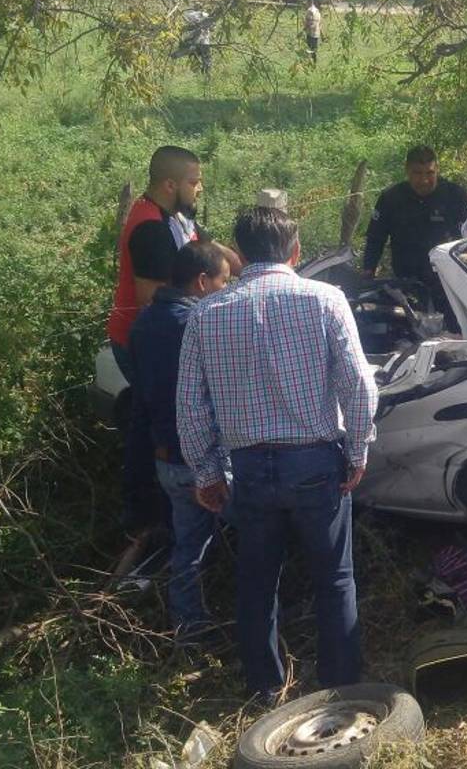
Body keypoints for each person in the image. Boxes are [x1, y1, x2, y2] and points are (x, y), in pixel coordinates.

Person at [177, 206, 378, 703]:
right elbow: (357, 384)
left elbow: (189, 403)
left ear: (240, 255)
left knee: (257, 582)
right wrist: (357, 450)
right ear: (296, 251)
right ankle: (341, 689)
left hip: (248, 470)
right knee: (334, 579)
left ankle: (265, 691)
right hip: (313, 462)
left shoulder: (205, 313)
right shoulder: (326, 299)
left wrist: (207, 472)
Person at [129, 242, 232, 644]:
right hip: (204, 461)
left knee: (188, 548)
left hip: (166, 459)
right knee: (264, 537)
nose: (228, 289)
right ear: (203, 282)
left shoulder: (144, 321)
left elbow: (141, 396)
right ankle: (258, 626)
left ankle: (190, 632)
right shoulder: (197, 323)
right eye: (225, 281)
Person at [107, 146, 207, 540]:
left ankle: (152, 508)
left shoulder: (178, 216)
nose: (199, 189)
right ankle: (146, 512)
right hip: (142, 338)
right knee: (153, 421)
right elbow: (151, 298)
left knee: (150, 418)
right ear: (171, 184)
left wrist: (256, 265)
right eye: (194, 182)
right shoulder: (150, 227)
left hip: (161, 333)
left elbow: (208, 251)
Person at [361, 145, 467, 317]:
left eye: (429, 173)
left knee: (454, 332)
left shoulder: (454, 195)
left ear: (437, 170)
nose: (424, 180)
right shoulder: (391, 198)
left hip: (447, 280)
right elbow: (376, 238)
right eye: (417, 173)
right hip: (407, 281)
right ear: (407, 171)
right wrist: (368, 270)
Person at [304, 0, 322, 65]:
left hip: (311, 33)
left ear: (309, 2)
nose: (304, 3)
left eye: (305, 2)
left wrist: (304, 29)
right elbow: (320, 23)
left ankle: (311, 63)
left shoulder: (310, 11)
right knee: (313, 49)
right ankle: (313, 62)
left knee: (309, 49)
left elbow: (310, 23)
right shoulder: (317, 11)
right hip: (316, 33)